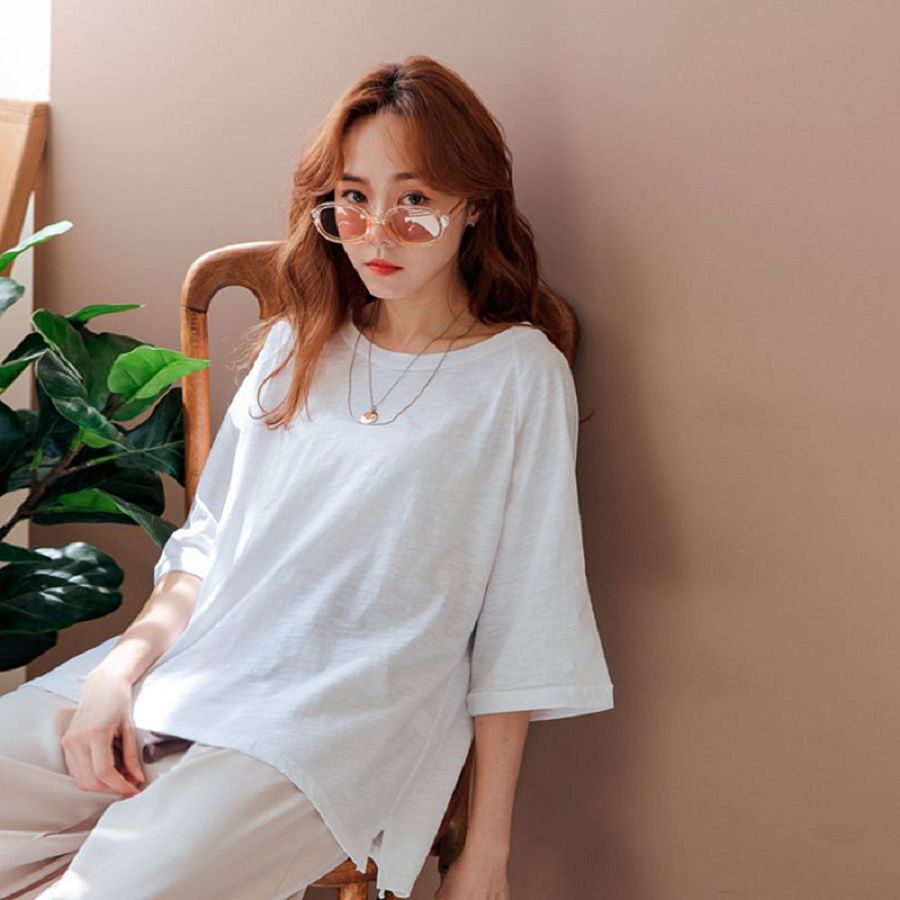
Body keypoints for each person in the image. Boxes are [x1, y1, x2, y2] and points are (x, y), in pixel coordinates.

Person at [0, 54, 614, 900]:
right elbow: (208, 547)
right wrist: (116, 674)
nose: (376, 232)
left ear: (474, 205)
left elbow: (522, 617)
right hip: (190, 671)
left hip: (330, 730)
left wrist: (486, 853)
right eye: (353, 197)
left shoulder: (518, 376)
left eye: (414, 201)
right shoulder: (297, 344)